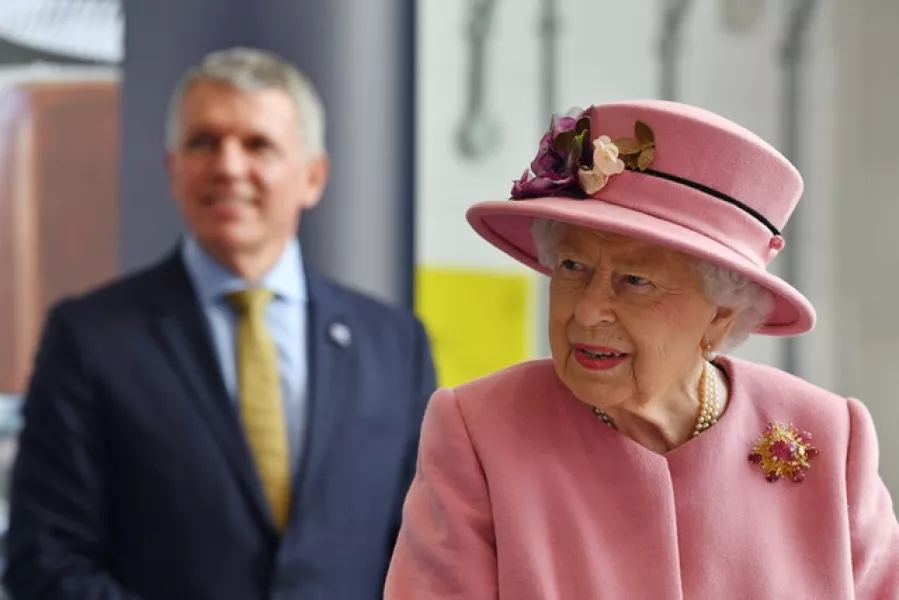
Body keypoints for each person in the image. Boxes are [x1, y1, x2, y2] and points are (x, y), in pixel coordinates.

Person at [384, 100, 899, 598]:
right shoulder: (480, 432)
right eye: (571, 268)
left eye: (634, 280)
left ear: (722, 315)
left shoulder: (832, 440)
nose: (587, 312)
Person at [3, 47, 436, 599]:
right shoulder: (90, 341)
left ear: (312, 176)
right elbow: (45, 562)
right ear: (173, 170)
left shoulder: (394, 345)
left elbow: (427, 549)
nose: (229, 166)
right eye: (203, 142)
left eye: (258, 144)